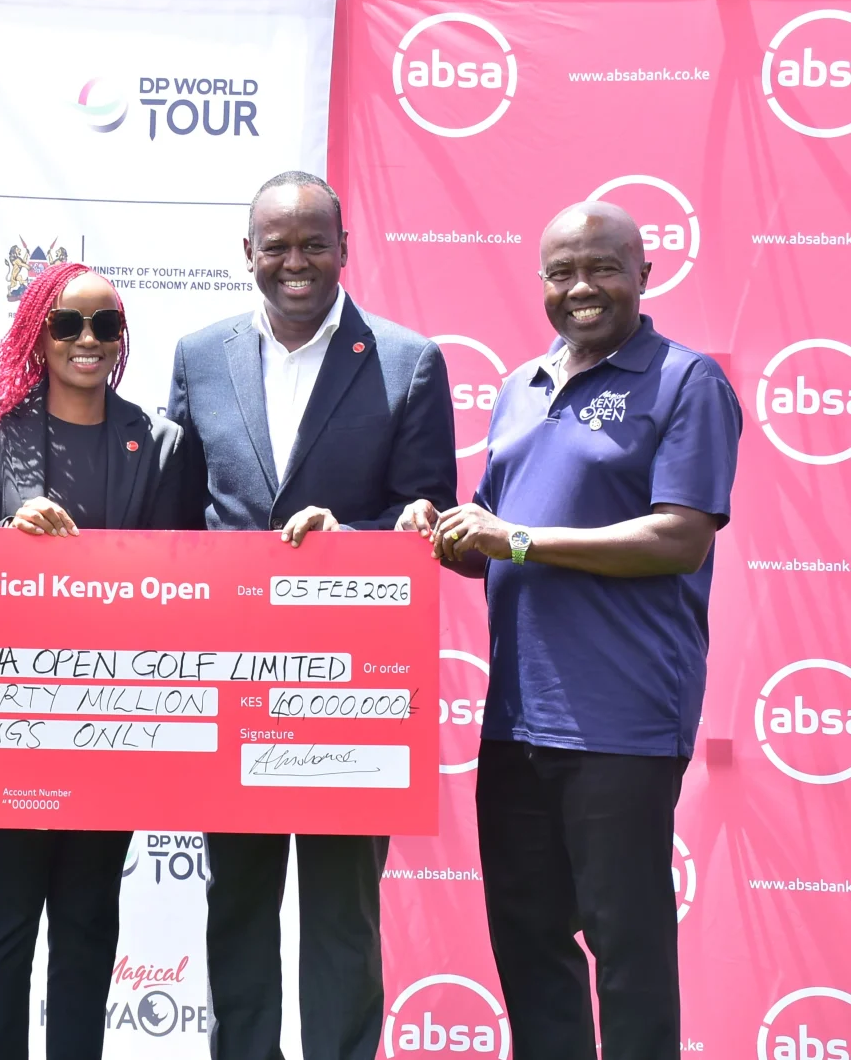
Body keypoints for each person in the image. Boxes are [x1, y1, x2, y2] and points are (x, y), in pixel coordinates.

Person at [400, 201, 741, 1058]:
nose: (581, 287)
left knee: (627, 954)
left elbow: (680, 535)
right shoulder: (522, 386)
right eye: (562, 272)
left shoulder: (686, 381)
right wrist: (445, 530)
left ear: (644, 275)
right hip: (515, 720)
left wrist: (511, 536)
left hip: (620, 722)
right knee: (529, 948)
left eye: (602, 268)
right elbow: (498, 534)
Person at [167, 169, 456, 1060]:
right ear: (247, 253)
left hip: (355, 693)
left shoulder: (408, 360)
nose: (296, 261)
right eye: (277, 245)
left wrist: (356, 536)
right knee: (238, 908)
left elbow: (428, 523)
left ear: (344, 246)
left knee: (341, 916)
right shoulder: (198, 353)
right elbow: (179, 520)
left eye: (313, 243)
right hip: (231, 688)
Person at [0, 262, 184, 1060]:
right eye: (68, 325)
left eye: (105, 326)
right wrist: (5, 542)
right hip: (8, 718)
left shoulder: (159, 442)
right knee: (6, 922)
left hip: (114, 721)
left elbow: (180, 585)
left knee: (87, 921)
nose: (88, 341)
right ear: (37, 335)